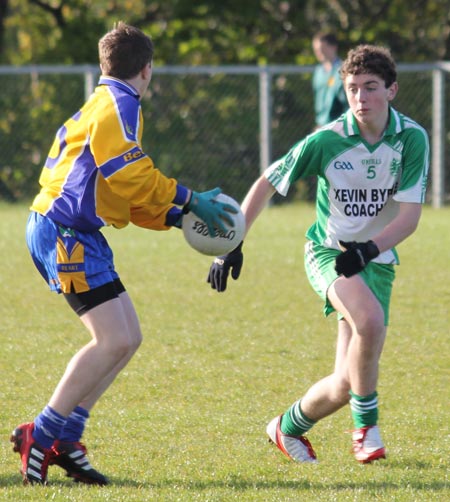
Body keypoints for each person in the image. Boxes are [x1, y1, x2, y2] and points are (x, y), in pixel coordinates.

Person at [11, 21, 237, 486]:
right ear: (147, 69)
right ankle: (42, 431)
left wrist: (176, 218)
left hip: (76, 232)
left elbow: (122, 193)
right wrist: (190, 199)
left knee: (127, 337)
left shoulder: (107, 101)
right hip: (64, 232)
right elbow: (131, 175)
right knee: (111, 339)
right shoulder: (120, 103)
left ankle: (67, 439)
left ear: (104, 64)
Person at [207, 45, 429, 464]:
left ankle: (285, 427)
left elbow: (411, 217)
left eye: (371, 87)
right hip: (327, 253)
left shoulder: (411, 139)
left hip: (375, 261)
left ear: (393, 90)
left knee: (346, 384)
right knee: (370, 321)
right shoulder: (327, 139)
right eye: (352, 89)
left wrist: (369, 250)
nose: (361, 98)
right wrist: (233, 243)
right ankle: (366, 431)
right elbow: (267, 182)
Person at [312, 32, 348, 128]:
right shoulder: (318, 71)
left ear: (333, 47)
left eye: (322, 49)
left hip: (341, 124)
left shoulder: (344, 70)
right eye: (316, 50)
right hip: (322, 125)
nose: (319, 53)